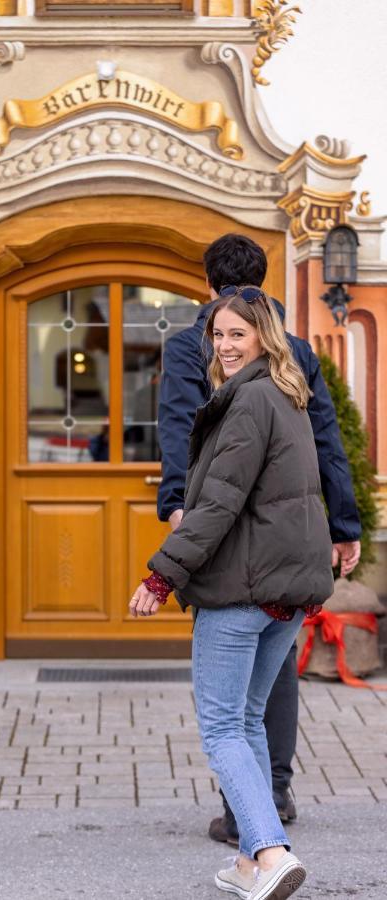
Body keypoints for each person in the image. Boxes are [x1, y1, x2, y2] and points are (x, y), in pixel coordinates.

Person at [129, 283, 337, 898]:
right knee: (246, 720)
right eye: (216, 335)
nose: (223, 345)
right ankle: (253, 861)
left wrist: (161, 575)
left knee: (222, 727)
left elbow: (217, 505)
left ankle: (271, 851)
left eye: (236, 334)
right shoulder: (285, 394)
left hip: (245, 587)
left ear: (262, 337)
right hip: (286, 589)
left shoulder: (247, 404)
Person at [157, 234, 361, 845]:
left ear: (208, 280)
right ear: (262, 278)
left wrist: (175, 505)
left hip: (222, 521)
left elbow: (178, 428)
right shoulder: (292, 346)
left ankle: (248, 816)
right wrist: (344, 523)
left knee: (229, 671)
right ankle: (275, 791)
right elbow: (325, 438)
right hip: (285, 530)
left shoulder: (188, 343)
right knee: (274, 666)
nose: (225, 343)